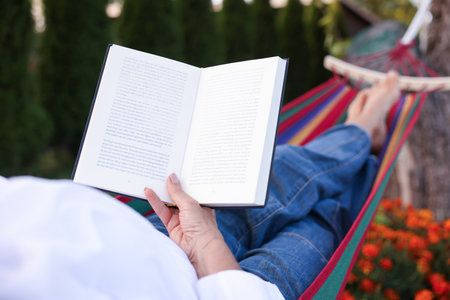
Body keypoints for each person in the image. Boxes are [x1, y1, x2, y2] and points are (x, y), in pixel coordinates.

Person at [0, 72, 400, 300]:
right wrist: (209, 247)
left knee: (281, 172)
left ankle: (362, 135)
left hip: (160, 233)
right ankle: (364, 137)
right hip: (229, 289)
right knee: (323, 222)